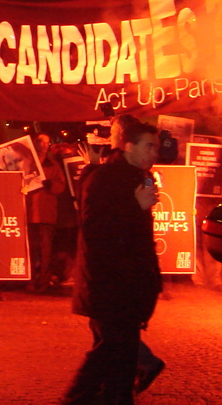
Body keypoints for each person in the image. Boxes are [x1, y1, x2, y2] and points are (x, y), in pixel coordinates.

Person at [61, 119, 162, 405]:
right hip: (111, 284)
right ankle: (76, 397)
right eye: (149, 146)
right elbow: (96, 230)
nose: (154, 153)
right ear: (128, 146)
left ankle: (110, 396)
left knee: (121, 356)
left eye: (155, 146)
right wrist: (135, 206)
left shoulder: (138, 177)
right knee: (113, 348)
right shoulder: (105, 177)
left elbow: (139, 238)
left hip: (130, 284)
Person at [27, 134, 66, 292]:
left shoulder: (53, 164)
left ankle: (43, 280)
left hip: (46, 212)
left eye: (47, 143)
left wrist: (51, 184)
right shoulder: (28, 162)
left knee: (45, 249)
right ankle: (29, 279)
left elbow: (61, 185)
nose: (45, 145)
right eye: (42, 142)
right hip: (29, 212)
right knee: (30, 248)